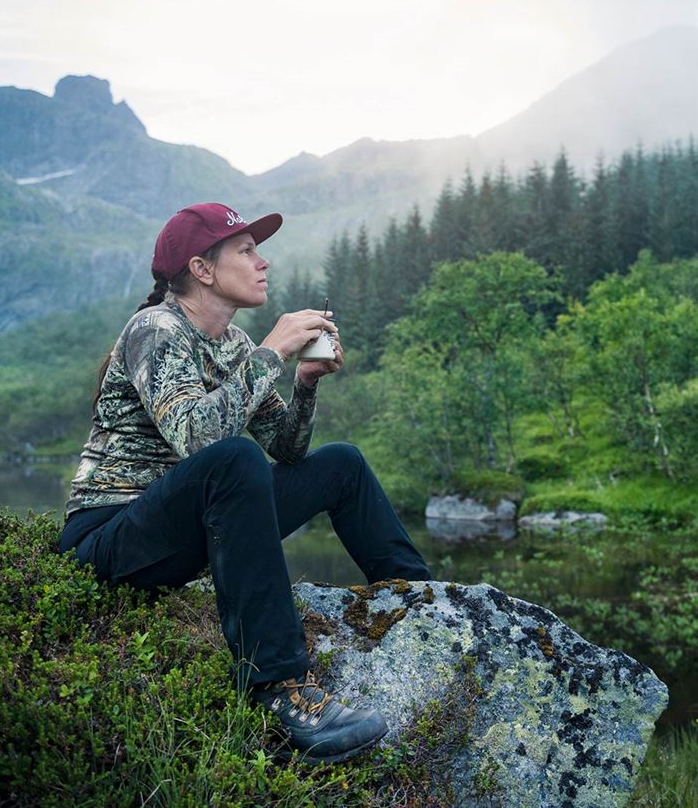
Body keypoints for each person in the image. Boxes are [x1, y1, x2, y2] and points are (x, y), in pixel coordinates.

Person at [60, 202, 431, 765]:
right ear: (202, 269)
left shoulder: (233, 345)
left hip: (181, 529)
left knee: (342, 464)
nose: (263, 262)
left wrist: (303, 382)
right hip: (108, 538)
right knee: (234, 460)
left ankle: (421, 601)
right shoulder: (154, 328)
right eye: (247, 250)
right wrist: (272, 352)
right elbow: (197, 439)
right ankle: (281, 691)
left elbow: (286, 449)